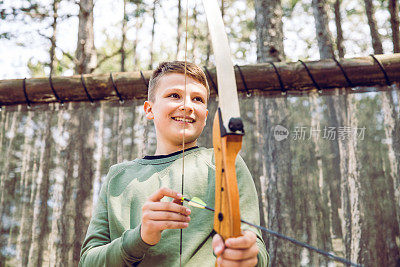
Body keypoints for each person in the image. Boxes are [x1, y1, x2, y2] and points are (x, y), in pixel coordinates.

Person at [79, 61, 269, 266]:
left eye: (197, 99)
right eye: (174, 95)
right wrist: (140, 237)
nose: (187, 105)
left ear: (205, 117)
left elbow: (255, 247)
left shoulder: (224, 161)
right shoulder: (118, 177)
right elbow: (88, 261)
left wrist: (248, 257)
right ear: (149, 109)